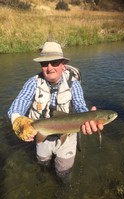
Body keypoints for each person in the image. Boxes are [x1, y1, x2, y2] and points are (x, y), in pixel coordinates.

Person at [8, 42, 103, 183]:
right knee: (42, 163)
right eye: (45, 64)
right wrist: (17, 120)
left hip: (68, 135)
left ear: (63, 65)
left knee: (63, 172)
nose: (50, 67)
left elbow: (80, 105)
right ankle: (43, 179)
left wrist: (89, 119)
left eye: (55, 62)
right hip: (42, 133)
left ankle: (63, 187)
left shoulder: (73, 84)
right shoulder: (33, 82)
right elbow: (20, 102)